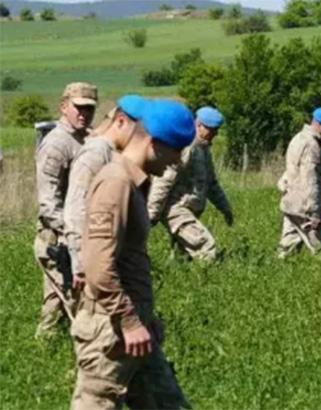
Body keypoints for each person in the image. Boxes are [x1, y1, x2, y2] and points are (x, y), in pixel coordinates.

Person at [71, 99, 195, 409]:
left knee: (166, 402)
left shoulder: (135, 182)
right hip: (109, 330)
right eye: (175, 151)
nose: (177, 162)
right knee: (97, 402)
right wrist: (129, 321)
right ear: (153, 144)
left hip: (135, 324)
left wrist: (144, 318)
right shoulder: (116, 182)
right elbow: (98, 266)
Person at [64, 95, 147, 297]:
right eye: (139, 132)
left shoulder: (113, 153)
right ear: (120, 121)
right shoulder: (96, 152)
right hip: (90, 260)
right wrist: (81, 265)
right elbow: (76, 208)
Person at [34, 82, 97, 338]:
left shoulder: (87, 139)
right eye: (78, 108)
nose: (83, 114)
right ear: (63, 107)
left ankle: (52, 348)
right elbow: (48, 203)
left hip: (79, 235)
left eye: (89, 109)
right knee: (66, 301)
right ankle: (47, 352)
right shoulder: (57, 144)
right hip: (58, 237)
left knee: (68, 300)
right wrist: (73, 232)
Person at [148, 106, 233, 261]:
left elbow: (211, 184)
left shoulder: (203, 149)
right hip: (176, 210)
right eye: (211, 129)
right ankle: (209, 282)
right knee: (205, 246)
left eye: (216, 130)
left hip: (189, 210)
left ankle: (182, 281)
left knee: (183, 258)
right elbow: (164, 180)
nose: (215, 133)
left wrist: (225, 208)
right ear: (198, 125)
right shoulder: (187, 147)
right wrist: (152, 213)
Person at [277, 107, 321, 258]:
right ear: (319, 124)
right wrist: (314, 213)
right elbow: (309, 181)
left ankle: (278, 272)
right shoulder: (311, 145)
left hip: (291, 201)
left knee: (288, 245)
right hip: (304, 205)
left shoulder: (299, 138)